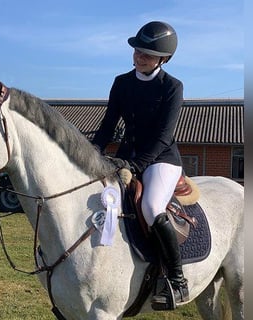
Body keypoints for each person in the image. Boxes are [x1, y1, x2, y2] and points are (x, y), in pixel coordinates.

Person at [91, 21, 188, 309]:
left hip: (161, 159)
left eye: (146, 53)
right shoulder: (122, 82)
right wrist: (93, 152)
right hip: (126, 157)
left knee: (151, 207)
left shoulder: (172, 87)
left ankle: (177, 279)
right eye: (137, 50)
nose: (139, 57)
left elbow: (164, 136)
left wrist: (135, 164)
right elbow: (109, 124)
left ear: (164, 58)